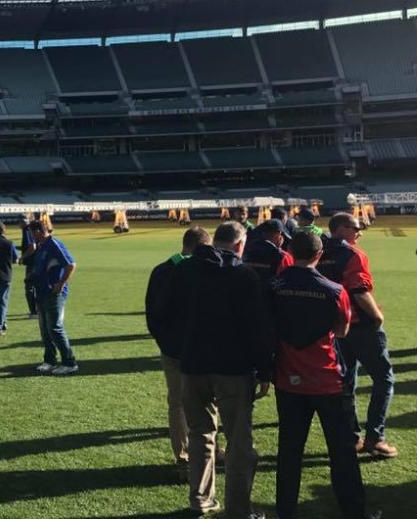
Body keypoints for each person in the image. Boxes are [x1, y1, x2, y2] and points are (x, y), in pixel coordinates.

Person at [157, 222, 273, 519]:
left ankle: (201, 499)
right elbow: (257, 328)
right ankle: (238, 510)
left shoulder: (184, 270)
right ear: (240, 244)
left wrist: (180, 349)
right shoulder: (244, 275)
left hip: (192, 366)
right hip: (233, 370)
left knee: (200, 435)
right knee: (238, 443)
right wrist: (265, 370)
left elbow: (164, 315)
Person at [270, 231, 378, 519]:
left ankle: (285, 511)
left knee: (290, 450)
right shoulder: (334, 290)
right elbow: (342, 330)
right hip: (327, 378)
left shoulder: (274, 286)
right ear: (319, 256)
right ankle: (354, 510)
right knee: (341, 450)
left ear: (290, 252)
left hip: (288, 378)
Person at [317, 212, 397, 459]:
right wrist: (377, 317)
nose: (360, 231)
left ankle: (352, 438)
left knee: (346, 383)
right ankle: (375, 437)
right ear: (341, 229)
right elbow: (359, 291)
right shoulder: (353, 254)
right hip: (361, 326)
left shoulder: (320, 253)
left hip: (336, 328)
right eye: (356, 227)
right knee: (384, 379)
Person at [145, 226, 211, 480]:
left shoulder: (162, 270)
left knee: (179, 404)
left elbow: (152, 314)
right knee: (203, 402)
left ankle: (186, 456)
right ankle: (189, 456)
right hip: (198, 349)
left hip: (172, 348)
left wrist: (164, 342)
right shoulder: (205, 271)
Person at [28, 220, 78, 375]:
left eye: (32, 233)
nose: (31, 237)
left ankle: (69, 363)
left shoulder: (54, 245)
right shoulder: (42, 246)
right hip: (42, 292)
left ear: (38, 232)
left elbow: (71, 265)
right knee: (45, 329)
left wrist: (61, 284)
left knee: (55, 328)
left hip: (53, 293)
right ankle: (49, 360)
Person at [242, 220, 294, 284]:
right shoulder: (283, 256)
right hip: (272, 292)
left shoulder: (246, 252)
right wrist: (278, 249)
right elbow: (290, 280)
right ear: (279, 234)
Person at [19, 219, 38, 318]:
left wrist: (23, 257)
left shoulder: (27, 231)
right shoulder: (28, 230)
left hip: (32, 263)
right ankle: (36, 310)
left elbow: (32, 246)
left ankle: (34, 311)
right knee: (34, 286)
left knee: (29, 287)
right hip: (35, 262)